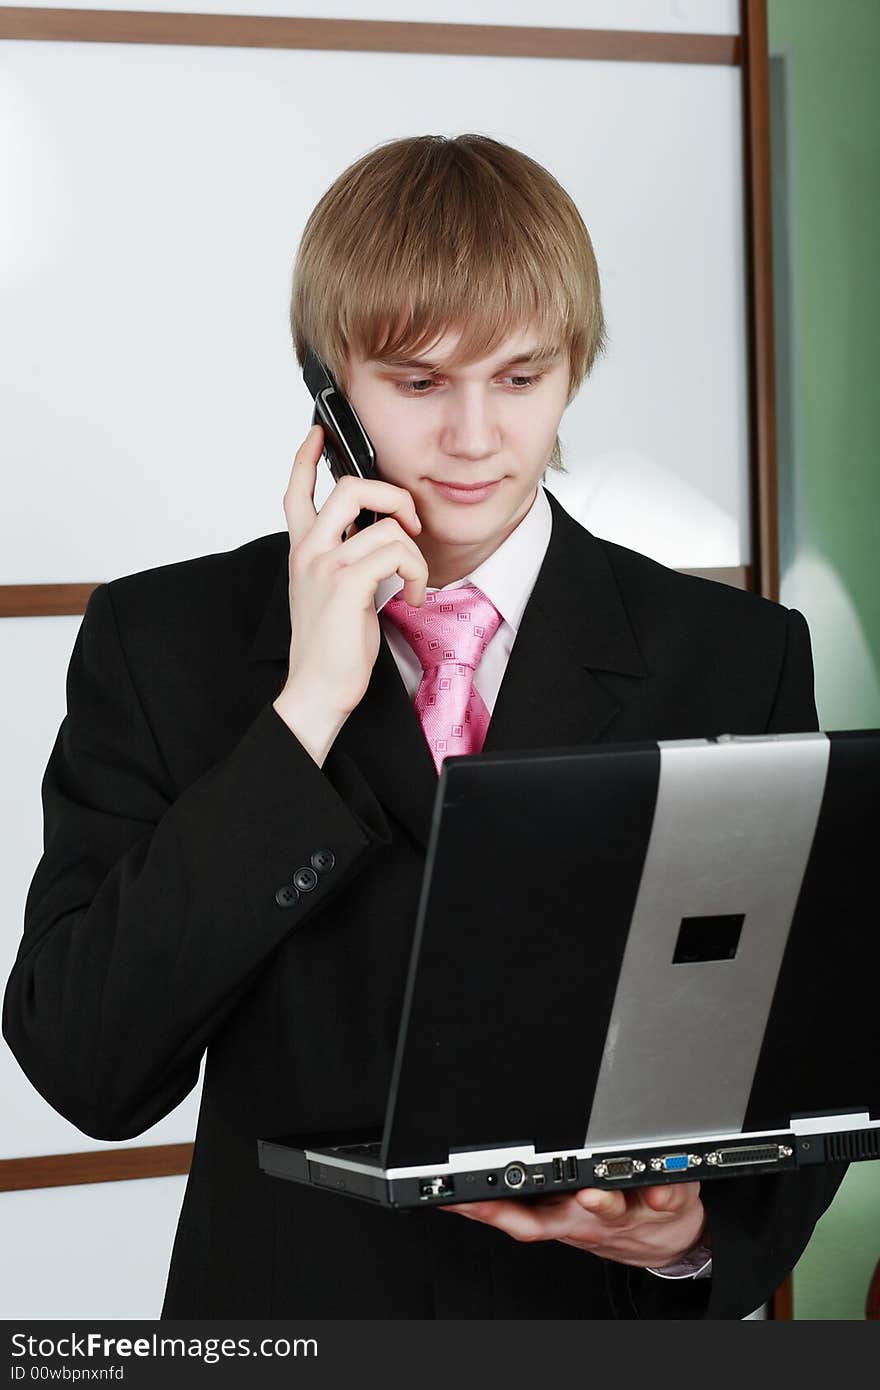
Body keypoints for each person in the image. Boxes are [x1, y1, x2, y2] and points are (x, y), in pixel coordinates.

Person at [3, 134, 844, 1319]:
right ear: (327, 385)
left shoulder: (732, 657)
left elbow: (803, 1042)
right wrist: (303, 711)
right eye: (415, 382)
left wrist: (685, 1233)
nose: (473, 438)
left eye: (519, 377)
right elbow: (85, 1064)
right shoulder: (168, 644)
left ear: (572, 367)